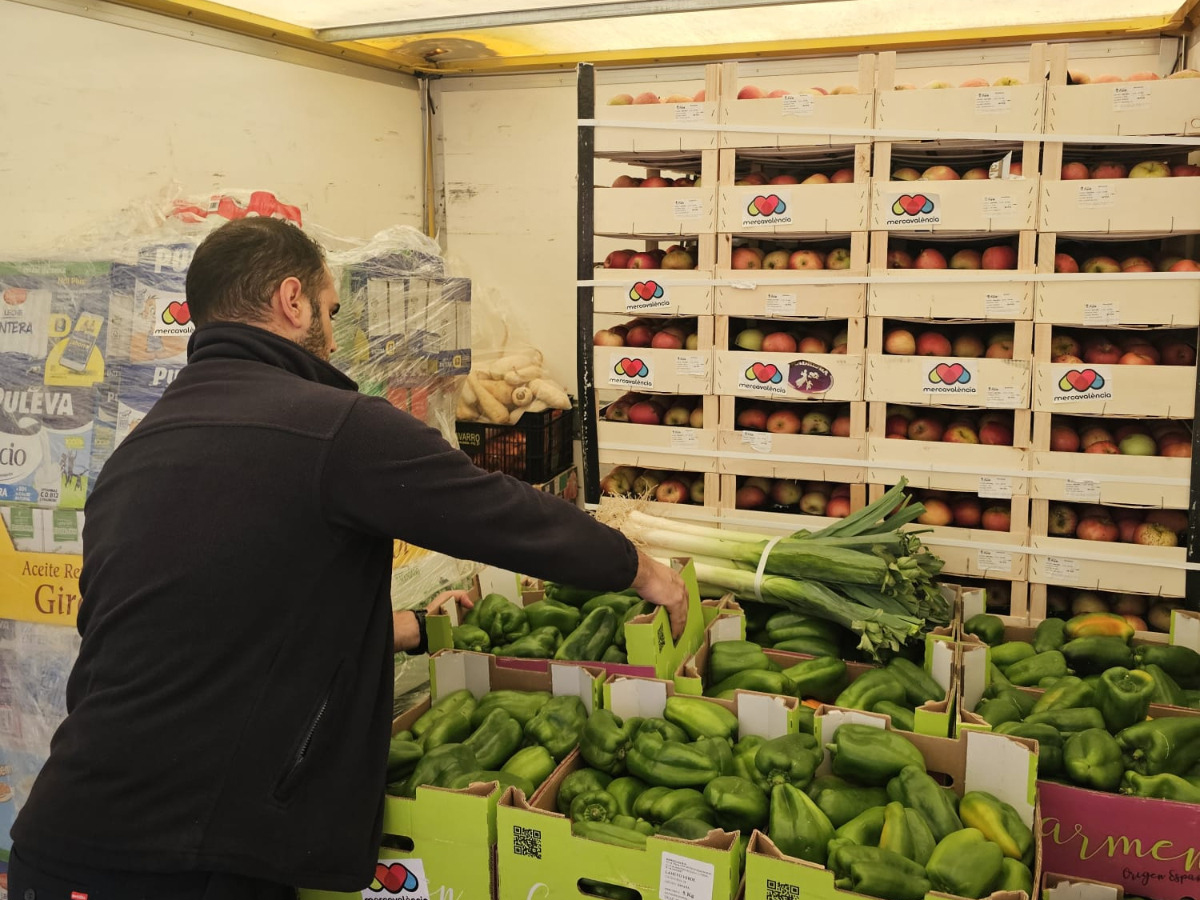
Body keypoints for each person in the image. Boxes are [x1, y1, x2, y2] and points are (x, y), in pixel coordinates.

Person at [9, 217, 688, 900]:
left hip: (66, 834)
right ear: (292, 299)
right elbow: (497, 513)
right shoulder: (331, 425)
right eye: (330, 311)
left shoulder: (142, 447)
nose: (333, 337)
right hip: (194, 853)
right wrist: (641, 569)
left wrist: (401, 630)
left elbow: (186, 612)